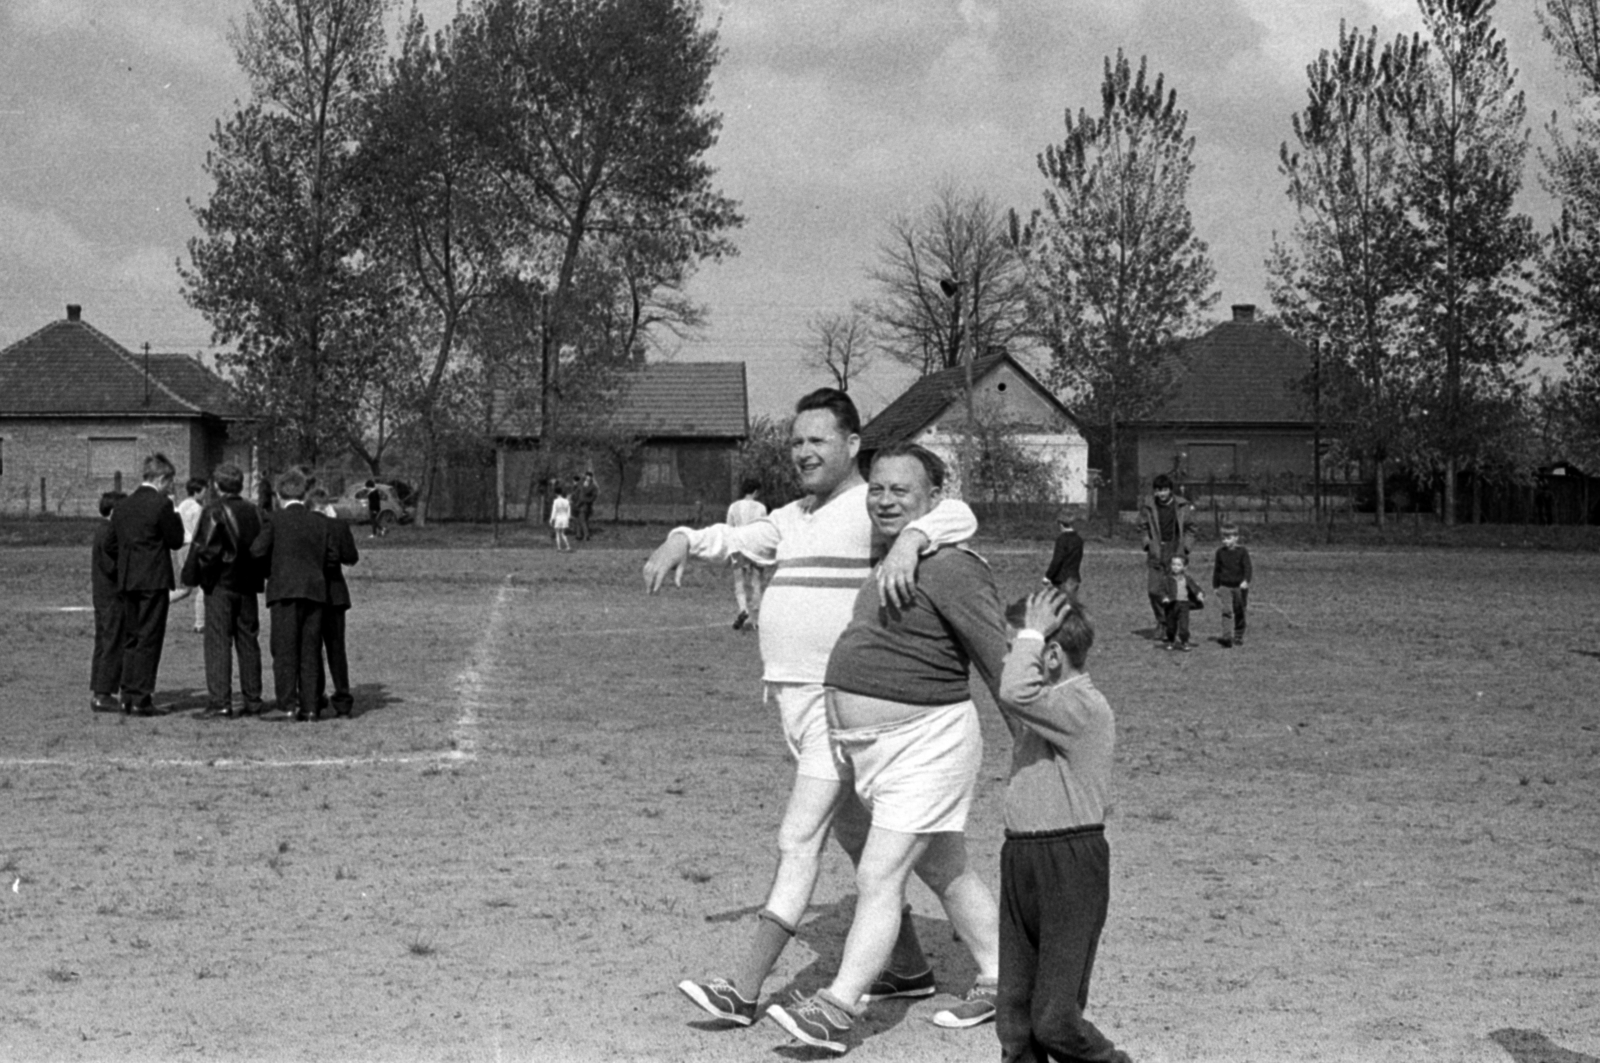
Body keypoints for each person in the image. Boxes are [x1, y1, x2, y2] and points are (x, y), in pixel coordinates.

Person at [646, 388, 979, 1030]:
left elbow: (957, 516)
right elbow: (731, 537)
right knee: (887, 847)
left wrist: (910, 539)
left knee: (800, 837)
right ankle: (913, 967)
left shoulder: (873, 505)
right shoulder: (793, 516)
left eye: (817, 440)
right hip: (799, 710)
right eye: (796, 441)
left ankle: (746, 987)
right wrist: (682, 538)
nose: (803, 452)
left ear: (853, 445)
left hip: (843, 711)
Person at [764, 444, 1006, 1054]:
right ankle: (1003, 974)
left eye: (902, 490)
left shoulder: (951, 564)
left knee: (879, 871)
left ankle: (837, 1007)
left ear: (933, 500)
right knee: (944, 867)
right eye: (877, 488)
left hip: (927, 745)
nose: (885, 499)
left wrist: (1042, 744)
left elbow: (1000, 660)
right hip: (873, 750)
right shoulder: (892, 548)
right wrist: (906, 539)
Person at [995, 591, 1133, 1063]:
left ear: (1050, 655)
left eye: (1017, 650)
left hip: (1070, 863)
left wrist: (1030, 632)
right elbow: (1013, 693)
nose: (1008, 660)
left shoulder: (1084, 706)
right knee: (1014, 1019)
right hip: (1022, 859)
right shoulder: (1047, 707)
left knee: (1055, 1019)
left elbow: (1012, 691)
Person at [251, 467, 340, 721]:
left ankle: (287, 704)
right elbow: (332, 556)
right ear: (305, 493)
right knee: (310, 650)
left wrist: (272, 570)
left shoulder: (275, 520)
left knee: (285, 650)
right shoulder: (318, 521)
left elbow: (257, 551)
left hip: (284, 591)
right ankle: (311, 706)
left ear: (279, 494)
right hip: (314, 590)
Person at [181, 463, 265, 718]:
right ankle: (253, 699)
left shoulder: (214, 510)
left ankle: (220, 702)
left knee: (218, 642)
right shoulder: (255, 512)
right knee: (248, 640)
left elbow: (205, 548)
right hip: (247, 583)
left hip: (221, 583)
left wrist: (194, 577)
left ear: (217, 486)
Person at [104, 452, 185, 715]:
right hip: (153, 579)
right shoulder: (161, 505)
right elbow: (175, 540)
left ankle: (127, 693)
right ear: (161, 478)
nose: (171, 487)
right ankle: (142, 698)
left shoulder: (123, 506)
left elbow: (110, 544)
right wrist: (173, 511)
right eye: (170, 481)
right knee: (149, 638)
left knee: (131, 637)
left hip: (129, 579)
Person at [309, 486, 360, 717]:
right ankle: (342, 698)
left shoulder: (306, 526)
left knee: (312, 647)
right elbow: (351, 557)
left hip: (310, 592)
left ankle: (315, 695)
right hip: (335, 593)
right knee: (336, 648)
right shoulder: (338, 526)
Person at [1138, 474, 1195, 638]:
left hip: (1175, 550)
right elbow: (1142, 527)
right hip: (1156, 550)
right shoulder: (1148, 506)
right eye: (1157, 490)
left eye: (1164, 490)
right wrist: (1147, 543)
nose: (1161, 494)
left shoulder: (1182, 505)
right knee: (1154, 590)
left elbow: (1191, 528)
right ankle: (1162, 621)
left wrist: (1185, 547)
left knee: (1174, 591)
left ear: (1170, 490)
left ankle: (1171, 623)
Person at [90, 490, 128, 713]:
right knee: (112, 643)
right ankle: (104, 693)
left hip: (104, 595)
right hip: (111, 596)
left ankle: (100, 689)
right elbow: (111, 566)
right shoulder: (109, 532)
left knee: (104, 642)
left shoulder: (102, 530)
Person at [725, 477, 768, 630]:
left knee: (739, 582)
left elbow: (729, 529)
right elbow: (763, 528)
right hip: (755, 547)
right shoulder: (761, 507)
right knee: (756, 582)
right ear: (756, 491)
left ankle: (743, 610)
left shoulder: (733, 507)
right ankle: (755, 620)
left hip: (738, 547)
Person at [168, 477, 208, 632]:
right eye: (204, 491)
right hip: (192, 548)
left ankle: (159, 602)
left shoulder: (183, 505)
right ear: (197, 491)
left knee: (186, 588)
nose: (205, 494)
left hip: (181, 547)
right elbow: (199, 532)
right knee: (203, 585)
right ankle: (200, 623)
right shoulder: (197, 509)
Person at [1212, 522, 1252, 648]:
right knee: (1226, 611)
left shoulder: (1242, 552)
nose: (1225, 541)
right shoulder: (1220, 552)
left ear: (1236, 537)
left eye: (1228, 538)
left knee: (1239, 610)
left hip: (1239, 587)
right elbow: (1217, 569)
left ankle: (1238, 635)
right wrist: (1215, 585)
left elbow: (1248, 568)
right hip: (1225, 586)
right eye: (1223, 538)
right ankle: (1227, 636)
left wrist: (1246, 580)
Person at [1157, 554, 1204, 651]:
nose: (1175, 567)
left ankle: (1184, 642)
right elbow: (1161, 590)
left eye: (1178, 565)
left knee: (1184, 627)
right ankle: (1171, 640)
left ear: (1184, 567)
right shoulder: (1167, 579)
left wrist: (1199, 594)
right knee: (1170, 626)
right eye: (1173, 564)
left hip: (1184, 605)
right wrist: (1164, 598)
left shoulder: (1187, 578)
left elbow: (1195, 587)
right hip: (1171, 605)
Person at [1043, 505, 1084, 597]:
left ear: (1061, 524)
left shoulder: (1062, 540)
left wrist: (1048, 576)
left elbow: (1057, 560)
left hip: (1061, 580)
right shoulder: (1079, 540)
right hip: (1074, 579)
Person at [576, 471, 599, 540]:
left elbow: (594, 496)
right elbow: (577, 492)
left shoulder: (593, 486)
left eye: (589, 476)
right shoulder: (581, 483)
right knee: (579, 520)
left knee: (582, 520)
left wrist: (588, 501)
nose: (588, 477)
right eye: (587, 476)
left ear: (591, 477)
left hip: (586, 505)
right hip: (578, 504)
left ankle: (586, 535)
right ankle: (579, 535)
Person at [550, 486, 573, 551]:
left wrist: (552, 519)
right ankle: (568, 546)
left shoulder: (556, 501)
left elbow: (554, 510)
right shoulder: (566, 501)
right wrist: (568, 518)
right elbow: (569, 511)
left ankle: (559, 547)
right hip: (565, 518)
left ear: (555, 493)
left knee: (557, 533)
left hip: (558, 518)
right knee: (563, 533)